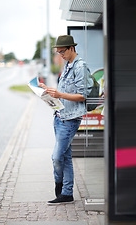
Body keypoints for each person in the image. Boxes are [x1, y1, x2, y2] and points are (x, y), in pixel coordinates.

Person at [39, 35, 93, 205]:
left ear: (71, 48)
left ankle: (60, 187)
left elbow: (82, 95)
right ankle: (67, 194)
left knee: (56, 157)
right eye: (58, 52)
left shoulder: (80, 67)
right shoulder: (68, 64)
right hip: (59, 117)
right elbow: (62, 92)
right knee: (66, 157)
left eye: (62, 51)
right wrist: (48, 90)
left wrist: (60, 94)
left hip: (70, 120)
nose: (60, 54)